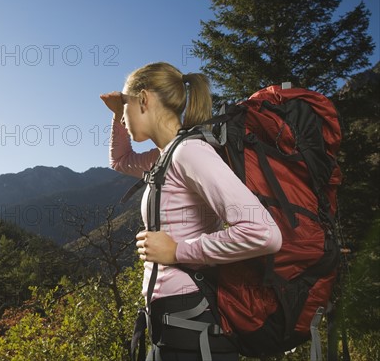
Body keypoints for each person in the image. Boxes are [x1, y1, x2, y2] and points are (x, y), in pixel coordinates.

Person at [100, 62, 282, 361]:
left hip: (194, 330)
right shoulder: (165, 156)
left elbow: (263, 233)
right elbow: (121, 160)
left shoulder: (190, 152)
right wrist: (116, 114)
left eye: (127, 106)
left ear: (144, 100)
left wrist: (177, 252)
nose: (123, 115)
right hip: (171, 326)